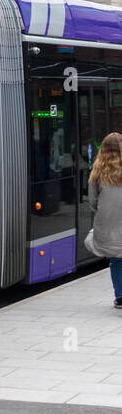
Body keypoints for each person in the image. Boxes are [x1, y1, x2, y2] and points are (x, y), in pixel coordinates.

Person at [87, 131, 122, 309]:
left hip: (108, 225)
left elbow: (92, 201)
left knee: (116, 260)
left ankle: (120, 298)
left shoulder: (97, 172)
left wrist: (103, 214)